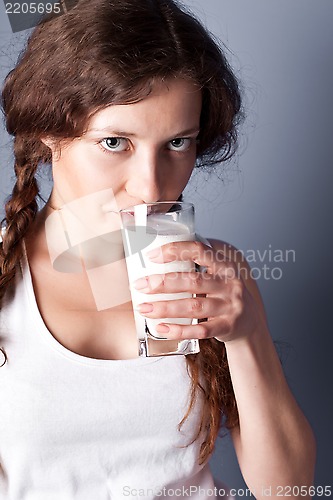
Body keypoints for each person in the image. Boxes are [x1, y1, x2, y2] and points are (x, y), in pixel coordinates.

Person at [0, 0, 315, 498]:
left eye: (176, 143)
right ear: (48, 131)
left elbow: (292, 491)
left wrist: (247, 333)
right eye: (114, 143)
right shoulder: (6, 282)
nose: (150, 188)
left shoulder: (214, 276)